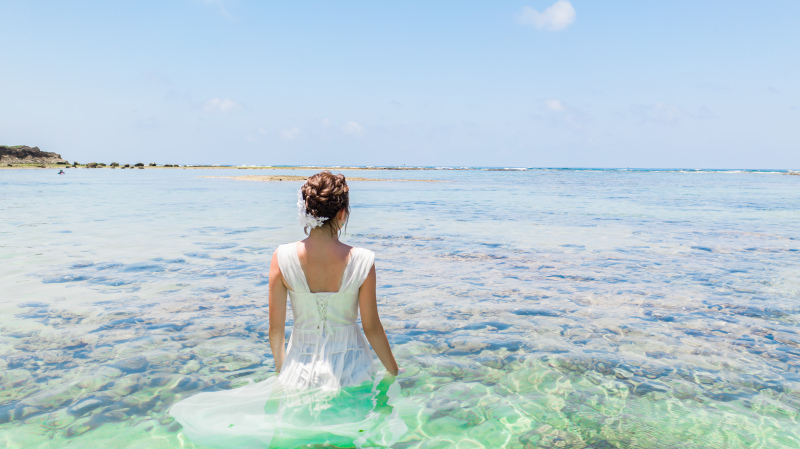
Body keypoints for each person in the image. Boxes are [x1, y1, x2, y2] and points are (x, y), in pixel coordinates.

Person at [169, 171, 405, 448]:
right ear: (343, 213)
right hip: (352, 369)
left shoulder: (281, 257)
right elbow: (372, 327)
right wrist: (393, 372)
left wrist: (286, 372)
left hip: (299, 368)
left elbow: (275, 329)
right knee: (348, 439)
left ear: (306, 211)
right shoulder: (363, 260)